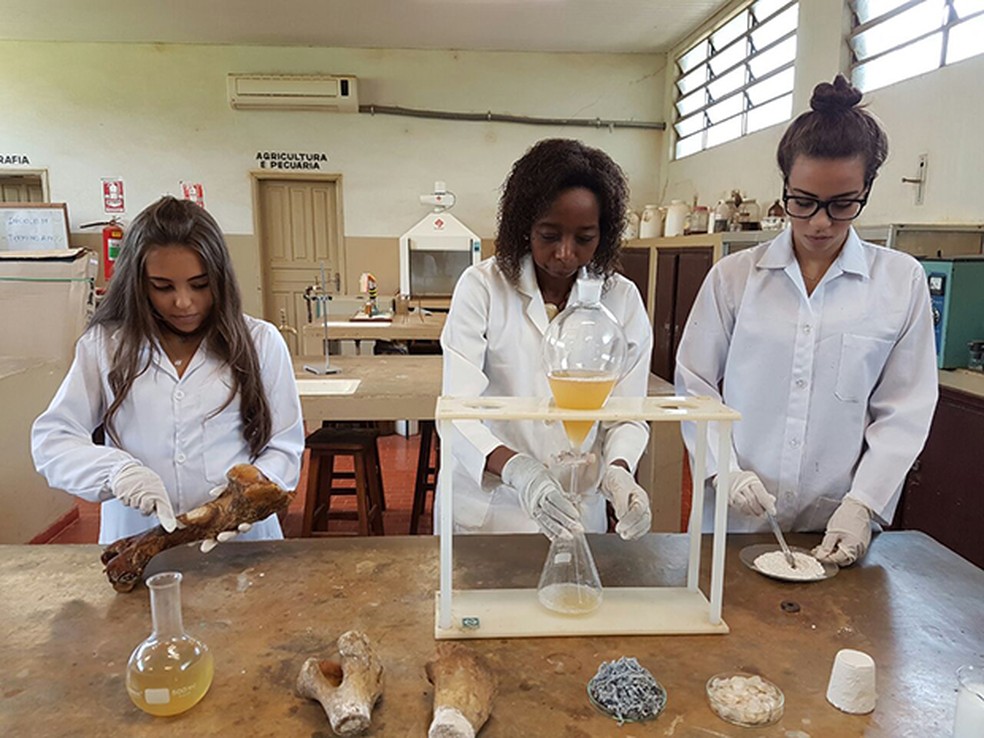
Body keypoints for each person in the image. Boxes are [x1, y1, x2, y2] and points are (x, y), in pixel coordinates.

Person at [674, 75, 938, 566]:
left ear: (866, 191)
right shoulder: (734, 278)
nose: (820, 222)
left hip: (837, 527)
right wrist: (726, 471)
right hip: (733, 522)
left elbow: (905, 409)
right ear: (784, 190)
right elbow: (694, 387)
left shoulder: (900, 282)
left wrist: (863, 504)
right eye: (803, 202)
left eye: (842, 205)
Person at [32, 196, 305, 547]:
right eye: (162, 287)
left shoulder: (260, 342)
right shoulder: (107, 346)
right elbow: (54, 440)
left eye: (200, 284)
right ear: (138, 283)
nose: (183, 302)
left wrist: (244, 500)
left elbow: (284, 445)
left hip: (241, 547)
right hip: (135, 539)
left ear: (220, 279)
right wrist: (117, 472)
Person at [439, 138, 653, 540]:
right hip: (489, 512)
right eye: (549, 235)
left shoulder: (621, 300)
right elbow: (457, 412)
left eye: (584, 238)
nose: (565, 254)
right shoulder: (482, 288)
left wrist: (619, 472)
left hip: (577, 508)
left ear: (603, 235)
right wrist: (522, 472)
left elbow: (627, 413)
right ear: (524, 227)